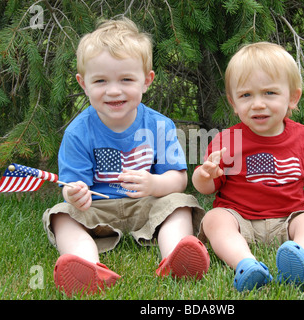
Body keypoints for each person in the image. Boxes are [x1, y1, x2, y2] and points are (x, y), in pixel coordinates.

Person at [42, 17, 209, 297]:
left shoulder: (159, 126)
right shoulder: (78, 132)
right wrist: (75, 195)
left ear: (147, 81)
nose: (114, 90)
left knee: (180, 204)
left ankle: (176, 256)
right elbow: (71, 187)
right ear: (84, 84)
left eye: (126, 79)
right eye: (101, 81)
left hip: (146, 206)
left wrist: (155, 185)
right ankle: (87, 265)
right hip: (97, 209)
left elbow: (178, 179)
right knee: (61, 216)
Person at [192, 42, 304, 291]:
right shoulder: (228, 140)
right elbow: (207, 188)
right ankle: (246, 263)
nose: (258, 104)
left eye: (269, 93)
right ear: (233, 103)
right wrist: (203, 174)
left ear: (293, 98)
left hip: (289, 219)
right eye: (246, 95)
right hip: (240, 218)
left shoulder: (302, 135)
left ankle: (301, 259)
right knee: (214, 219)